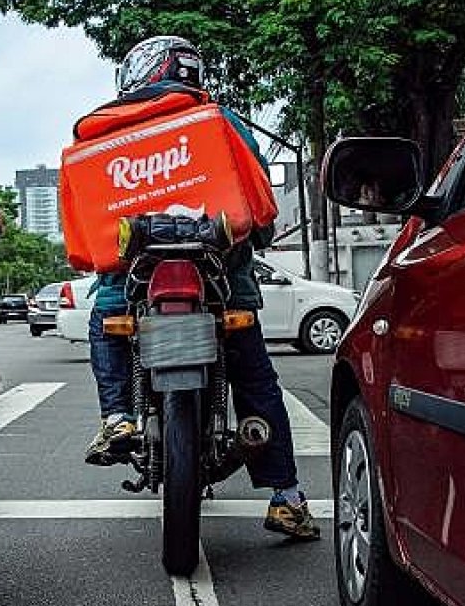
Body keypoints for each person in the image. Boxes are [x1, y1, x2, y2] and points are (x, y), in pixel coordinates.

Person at [77, 35, 319, 541]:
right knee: (255, 381)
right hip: (224, 280)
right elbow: (257, 196)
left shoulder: (110, 132)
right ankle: (287, 498)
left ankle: (118, 415)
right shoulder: (218, 121)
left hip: (131, 279)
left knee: (106, 320)